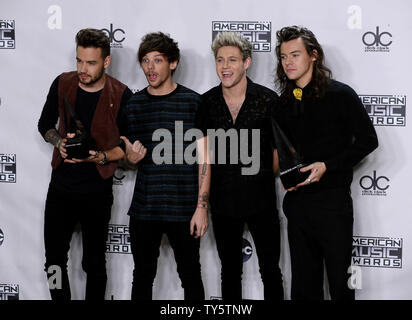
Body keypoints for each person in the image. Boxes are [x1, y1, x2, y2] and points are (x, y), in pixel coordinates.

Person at [274, 25, 378, 300]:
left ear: (314, 55)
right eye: (283, 57)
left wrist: (328, 165)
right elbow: (284, 152)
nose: (288, 62)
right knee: (304, 289)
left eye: (295, 55)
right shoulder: (283, 102)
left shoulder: (340, 94)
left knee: (341, 286)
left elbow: (369, 140)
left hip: (333, 205)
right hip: (297, 206)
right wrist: (286, 178)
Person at [38, 28, 132, 300]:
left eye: (91, 63)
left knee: (94, 264)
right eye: (79, 61)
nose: (83, 69)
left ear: (106, 62)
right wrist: (59, 143)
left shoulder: (121, 94)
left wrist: (99, 156)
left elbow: (125, 147)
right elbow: (45, 124)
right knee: (54, 261)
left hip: (96, 190)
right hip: (61, 187)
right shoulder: (62, 83)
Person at [121, 32, 209, 300]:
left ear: (173, 63)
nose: (150, 67)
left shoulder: (194, 102)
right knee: (142, 276)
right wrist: (129, 159)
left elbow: (205, 160)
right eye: (145, 61)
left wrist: (201, 208)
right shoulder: (134, 105)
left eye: (157, 60)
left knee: (191, 276)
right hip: (145, 209)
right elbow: (128, 157)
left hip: (184, 209)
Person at [197, 32, 284, 300]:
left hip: (262, 202)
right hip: (222, 204)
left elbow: (279, 152)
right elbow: (204, 158)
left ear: (246, 63)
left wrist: (259, 175)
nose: (225, 66)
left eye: (232, 60)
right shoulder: (207, 102)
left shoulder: (269, 101)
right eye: (220, 60)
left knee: (270, 270)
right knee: (230, 272)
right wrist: (201, 205)